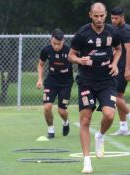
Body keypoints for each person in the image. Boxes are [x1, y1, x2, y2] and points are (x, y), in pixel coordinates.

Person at [68, 2, 121, 174]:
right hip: (87, 81)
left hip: (107, 81)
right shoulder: (82, 33)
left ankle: (100, 135)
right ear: (90, 15)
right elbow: (71, 55)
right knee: (85, 120)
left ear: (106, 15)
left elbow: (118, 49)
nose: (99, 19)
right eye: (96, 16)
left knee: (109, 114)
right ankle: (87, 161)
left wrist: (114, 64)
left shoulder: (113, 31)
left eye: (102, 15)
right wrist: (79, 60)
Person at [36, 28, 73, 139]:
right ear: (50, 40)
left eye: (59, 44)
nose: (56, 46)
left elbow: (79, 62)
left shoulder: (69, 51)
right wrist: (39, 79)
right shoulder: (46, 50)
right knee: (47, 107)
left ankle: (65, 122)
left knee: (62, 111)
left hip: (66, 82)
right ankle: (51, 130)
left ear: (64, 41)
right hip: (51, 81)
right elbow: (41, 65)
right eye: (54, 43)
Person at [110, 7, 130, 136]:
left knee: (114, 96)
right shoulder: (116, 29)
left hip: (124, 68)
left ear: (122, 17)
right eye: (112, 18)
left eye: (116, 18)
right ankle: (123, 127)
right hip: (119, 67)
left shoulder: (126, 30)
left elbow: (129, 50)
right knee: (119, 96)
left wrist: (127, 69)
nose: (113, 20)